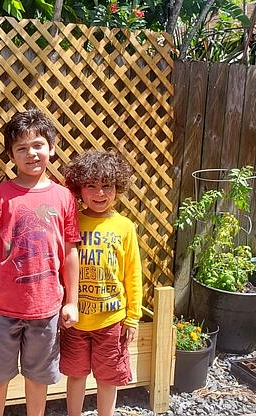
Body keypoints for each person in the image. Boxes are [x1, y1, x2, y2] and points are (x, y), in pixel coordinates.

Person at [0, 108, 80, 416]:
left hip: (45, 310)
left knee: (38, 377)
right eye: (21, 148)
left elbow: (70, 252)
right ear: (11, 155)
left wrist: (73, 301)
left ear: (52, 147)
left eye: (38, 145)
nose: (31, 153)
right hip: (1, 310)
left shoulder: (64, 198)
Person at [60, 150, 143, 416]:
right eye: (91, 186)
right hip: (75, 320)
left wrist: (133, 318)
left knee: (108, 378)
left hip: (112, 321)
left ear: (117, 187)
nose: (99, 193)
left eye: (106, 186)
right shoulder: (71, 221)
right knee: (76, 375)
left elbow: (133, 274)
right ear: (79, 188)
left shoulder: (124, 226)